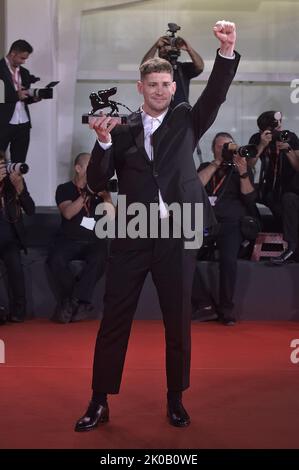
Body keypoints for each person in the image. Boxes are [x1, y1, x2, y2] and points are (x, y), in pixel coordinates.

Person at [74, 20, 240, 432]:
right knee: (115, 319)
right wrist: (103, 144)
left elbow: (216, 93)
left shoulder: (187, 120)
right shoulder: (121, 129)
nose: (161, 90)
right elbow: (95, 181)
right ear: (140, 87)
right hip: (132, 232)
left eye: (167, 84)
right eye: (154, 85)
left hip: (177, 233)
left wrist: (226, 50)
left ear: (173, 85)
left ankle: (175, 399)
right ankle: (99, 400)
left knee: (177, 320)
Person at [192, 133, 257, 326]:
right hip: (205, 222)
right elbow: (195, 187)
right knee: (183, 254)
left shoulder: (241, 170)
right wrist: (216, 163)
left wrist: (243, 171)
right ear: (214, 149)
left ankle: (226, 309)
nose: (225, 149)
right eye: (220, 146)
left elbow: (250, 199)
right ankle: (204, 305)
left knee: (228, 261)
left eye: (228, 146)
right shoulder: (206, 167)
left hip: (231, 224)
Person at [47, 153, 110, 323]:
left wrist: (107, 197)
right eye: (90, 166)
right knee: (55, 259)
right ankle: (80, 303)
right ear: (78, 168)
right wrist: (86, 193)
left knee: (100, 257)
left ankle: (71, 302)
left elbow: (111, 216)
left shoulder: (99, 190)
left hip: (93, 241)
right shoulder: (64, 189)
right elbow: (68, 213)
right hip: (69, 239)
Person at [248, 111, 299, 265]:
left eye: (280, 123)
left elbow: (298, 167)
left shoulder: (289, 137)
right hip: (266, 186)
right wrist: (262, 145)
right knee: (247, 194)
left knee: (286, 204)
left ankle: (291, 245)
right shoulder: (257, 139)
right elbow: (249, 165)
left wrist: (287, 150)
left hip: (287, 187)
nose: (279, 128)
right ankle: (251, 229)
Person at [0, 150, 35, 323]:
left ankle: (19, 311)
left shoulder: (12, 182)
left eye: (3, 165)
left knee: (15, 266)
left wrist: (20, 189)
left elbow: (31, 210)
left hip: (9, 239)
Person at [0, 40, 39, 163]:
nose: (23, 62)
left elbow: (24, 98)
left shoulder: (24, 72)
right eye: (22, 58)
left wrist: (34, 98)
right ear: (12, 54)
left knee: (19, 164)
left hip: (23, 123)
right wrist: (16, 95)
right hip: (3, 123)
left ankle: (16, 182)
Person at [141, 32, 204, 107]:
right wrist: (155, 46)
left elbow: (200, 67)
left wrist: (189, 49)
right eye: (165, 46)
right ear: (159, 51)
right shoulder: (155, 68)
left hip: (180, 114)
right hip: (159, 113)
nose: (169, 49)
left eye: (173, 46)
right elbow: (144, 67)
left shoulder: (182, 68)